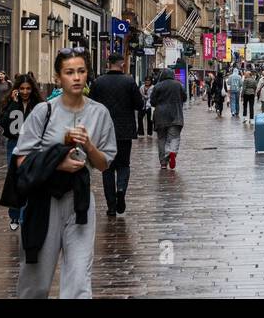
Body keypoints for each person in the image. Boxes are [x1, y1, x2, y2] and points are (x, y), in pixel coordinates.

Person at [14, 48, 116, 299]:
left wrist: (89, 146)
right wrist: (57, 164)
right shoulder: (43, 111)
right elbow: (21, 159)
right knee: (35, 278)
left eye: (81, 71)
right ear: (58, 77)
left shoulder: (99, 113)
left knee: (79, 278)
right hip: (44, 201)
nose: (76, 77)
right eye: (69, 72)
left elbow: (104, 165)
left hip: (79, 201)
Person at [89, 51, 144, 216]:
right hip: (124, 130)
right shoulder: (129, 82)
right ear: (122, 64)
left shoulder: (98, 82)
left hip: (104, 131)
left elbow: (91, 105)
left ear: (108, 64)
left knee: (107, 168)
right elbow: (139, 104)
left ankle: (111, 206)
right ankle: (121, 189)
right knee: (123, 164)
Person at [0, 74, 42, 229]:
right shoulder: (11, 103)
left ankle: (24, 216)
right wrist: (14, 104)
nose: (25, 92)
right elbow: (3, 122)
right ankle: (15, 216)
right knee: (15, 178)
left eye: (28, 88)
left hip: (32, 144)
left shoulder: (37, 105)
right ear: (16, 89)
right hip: (14, 143)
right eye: (22, 88)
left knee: (28, 179)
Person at [150, 68, 185, 169]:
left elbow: (152, 102)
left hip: (160, 115)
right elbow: (185, 97)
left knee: (161, 139)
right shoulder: (178, 85)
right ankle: (172, 152)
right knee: (174, 137)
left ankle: (163, 163)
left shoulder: (157, 86)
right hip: (175, 114)